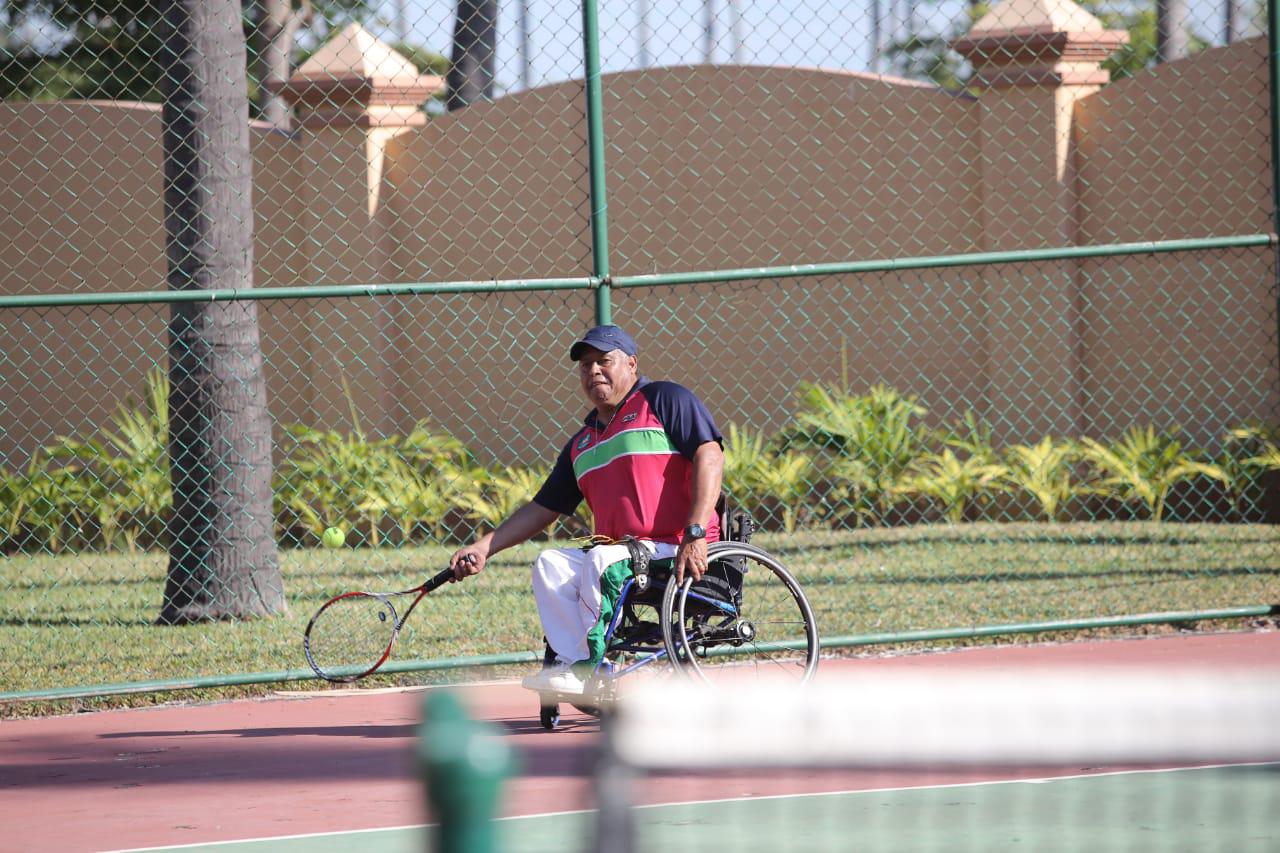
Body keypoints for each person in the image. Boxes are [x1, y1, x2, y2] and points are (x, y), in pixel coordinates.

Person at [448, 324, 725, 695]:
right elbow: (543, 508)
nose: (593, 370)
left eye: (604, 361)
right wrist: (484, 548)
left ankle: (585, 669)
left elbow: (710, 455)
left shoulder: (664, 399)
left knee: (601, 560)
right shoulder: (583, 442)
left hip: (674, 546)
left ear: (631, 363)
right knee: (550, 563)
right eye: (585, 365)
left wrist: (695, 532)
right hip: (624, 555)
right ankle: (572, 663)